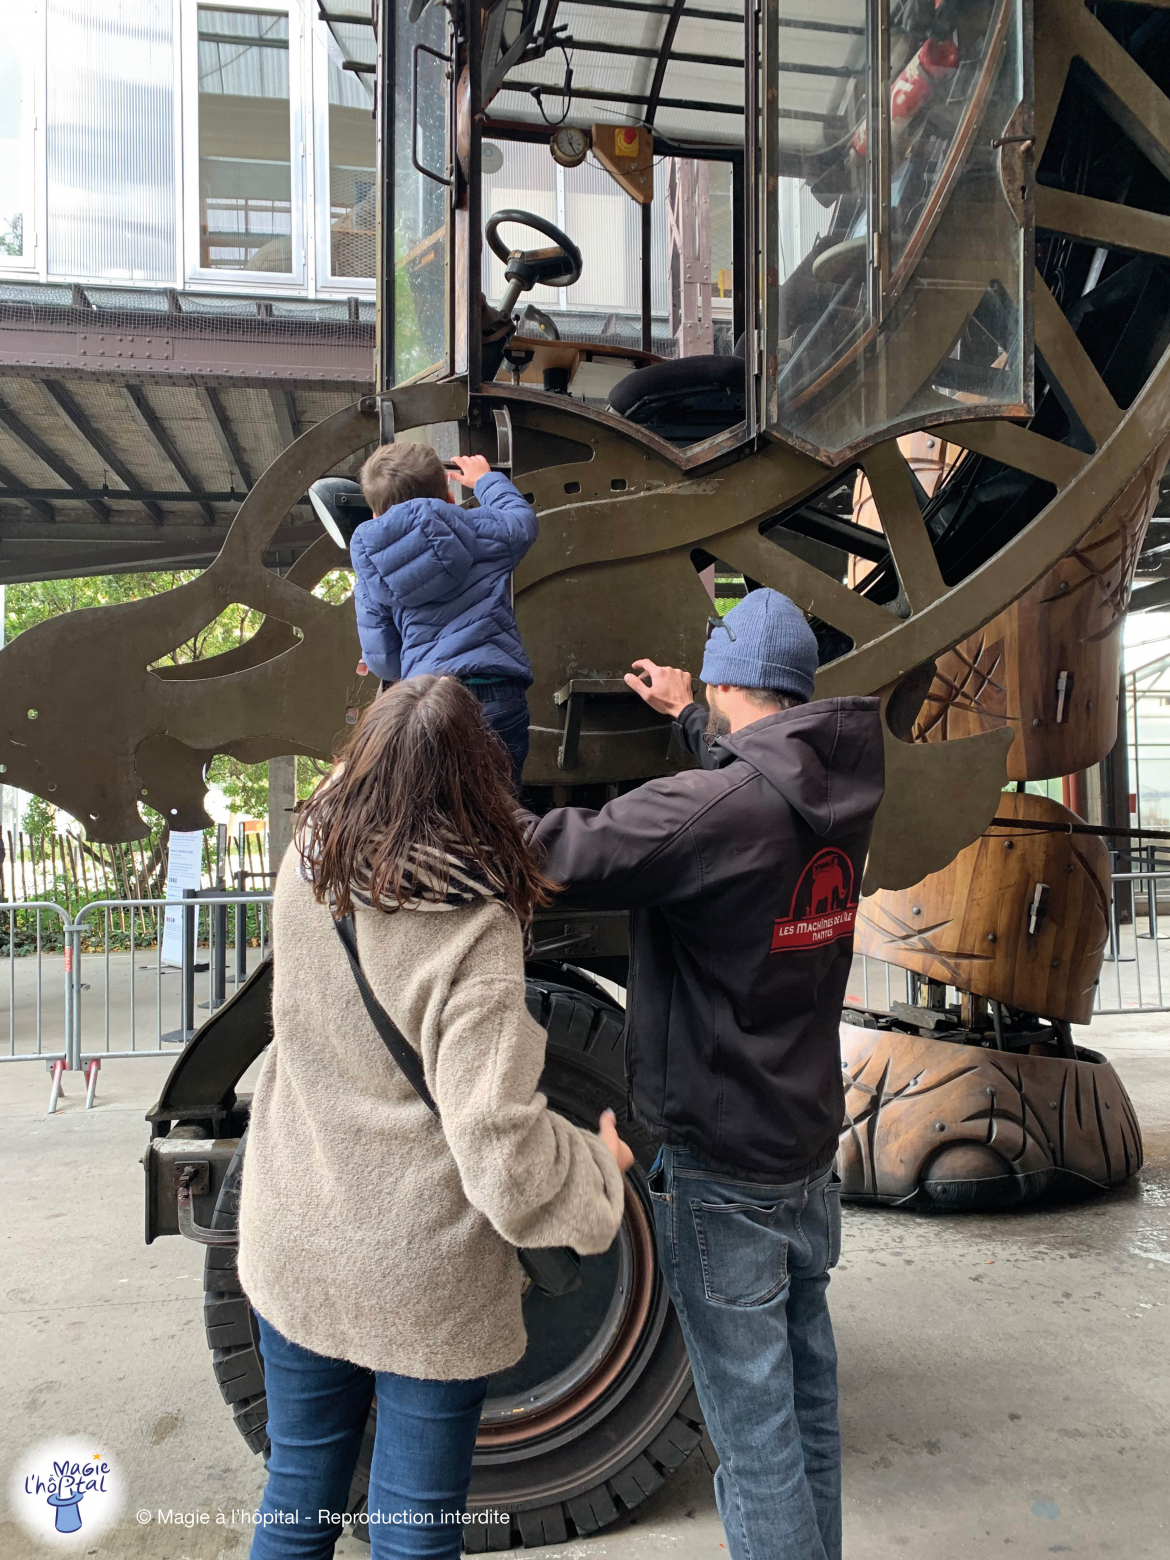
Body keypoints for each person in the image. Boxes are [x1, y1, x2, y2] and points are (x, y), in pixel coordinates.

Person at [237, 675, 631, 1560]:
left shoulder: (305, 870)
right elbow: (499, 1151)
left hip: (294, 1231)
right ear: (476, 782)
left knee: (298, 1492)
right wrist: (597, 1169)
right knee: (413, 1529)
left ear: (364, 758)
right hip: (419, 1270)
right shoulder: (473, 928)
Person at [526, 588, 886, 1560]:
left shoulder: (708, 809)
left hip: (723, 1168)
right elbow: (745, 794)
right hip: (804, 1150)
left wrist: (432, 781)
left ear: (730, 679)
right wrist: (691, 716)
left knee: (754, 1441)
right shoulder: (839, 791)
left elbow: (561, 854)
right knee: (806, 1404)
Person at [349, 442, 537, 791]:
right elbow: (522, 522)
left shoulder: (371, 573)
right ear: (449, 496)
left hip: (430, 705)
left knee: (446, 808)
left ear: (376, 516)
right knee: (503, 806)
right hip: (497, 694)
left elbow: (386, 663)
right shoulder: (482, 528)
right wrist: (486, 481)